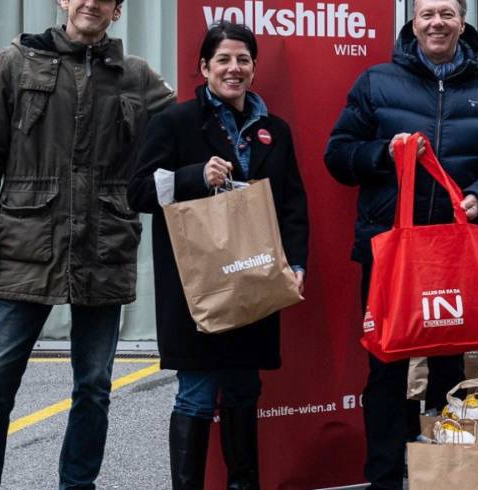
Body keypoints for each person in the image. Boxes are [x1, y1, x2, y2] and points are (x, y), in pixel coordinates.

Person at [0, 0, 175, 487]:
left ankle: (78, 484)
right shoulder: (16, 62)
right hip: (24, 243)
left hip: (104, 245)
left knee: (94, 385)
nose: (91, 3)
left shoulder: (135, 76)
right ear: (63, 0)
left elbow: (185, 128)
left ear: (117, 11)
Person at [323, 0, 478, 487]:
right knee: (387, 368)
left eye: (447, 14)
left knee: (451, 372)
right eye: (427, 13)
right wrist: (383, 156)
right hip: (388, 252)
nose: (437, 22)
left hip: (452, 255)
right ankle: (387, 478)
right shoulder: (376, 82)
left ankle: (446, 473)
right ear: (413, 22)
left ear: (461, 22)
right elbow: (338, 155)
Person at [125, 22, 308, 489]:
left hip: (256, 279)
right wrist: (192, 177)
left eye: (243, 59)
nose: (234, 69)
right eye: (223, 59)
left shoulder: (275, 130)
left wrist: (297, 265)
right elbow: (138, 192)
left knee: (245, 391)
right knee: (196, 395)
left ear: (253, 67)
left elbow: (292, 205)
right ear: (204, 67)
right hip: (198, 284)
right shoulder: (175, 122)